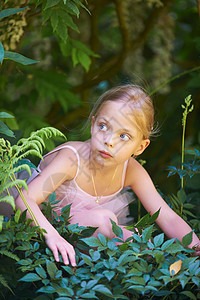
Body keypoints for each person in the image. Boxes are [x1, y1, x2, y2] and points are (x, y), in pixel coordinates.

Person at [16, 85, 200, 266]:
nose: (109, 141)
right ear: (93, 124)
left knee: (144, 243)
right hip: (44, 223)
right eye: (103, 126)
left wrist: (195, 245)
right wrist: (53, 236)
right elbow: (25, 199)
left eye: (124, 136)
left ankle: (162, 260)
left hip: (91, 227)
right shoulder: (72, 159)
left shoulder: (132, 170)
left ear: (140, 147)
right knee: (104, 221)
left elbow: (168, 217)